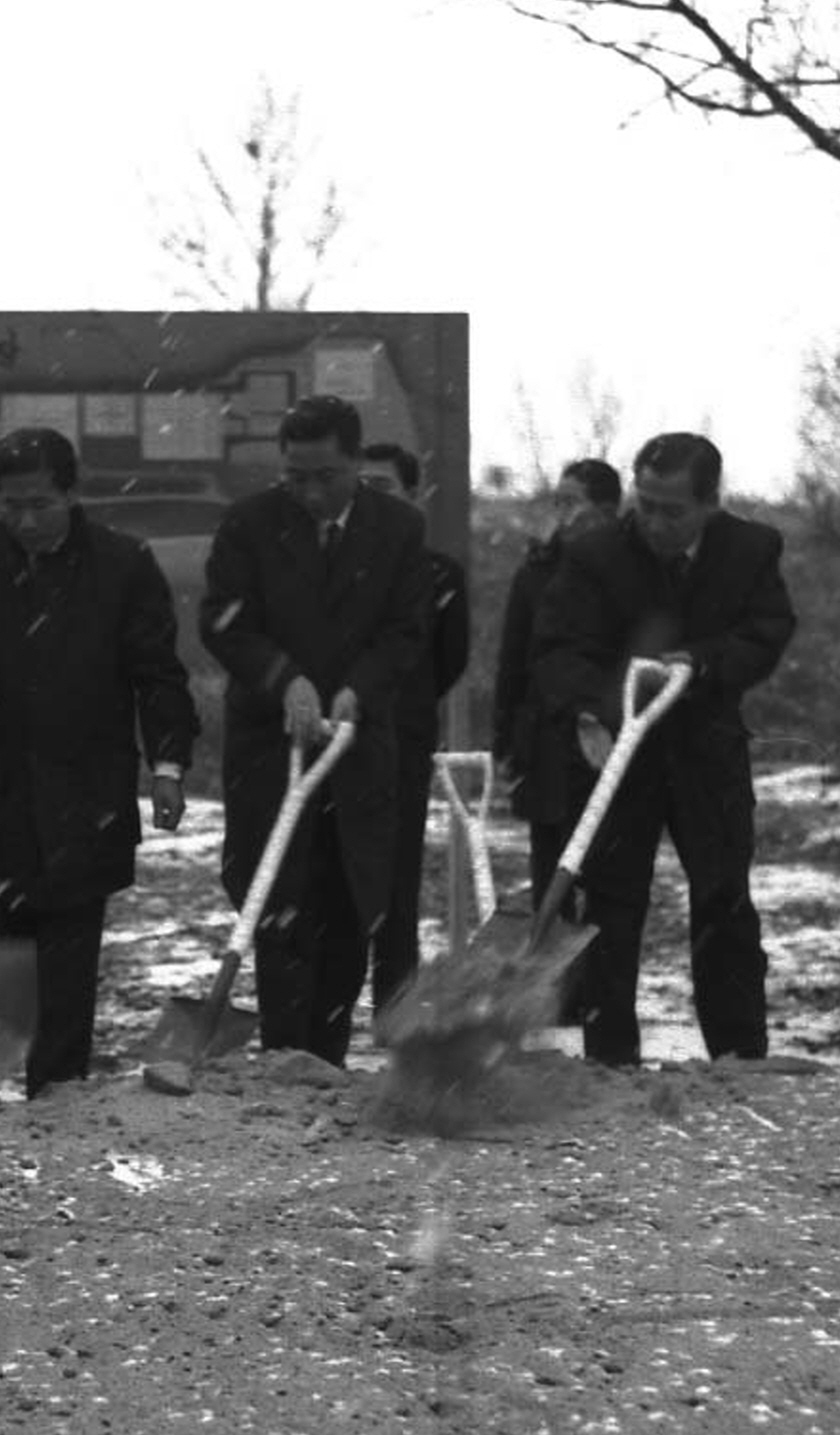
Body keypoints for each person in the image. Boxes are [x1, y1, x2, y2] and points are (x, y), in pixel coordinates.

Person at [0, 427, 198, 1098]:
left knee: (71, 942)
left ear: (71, 492)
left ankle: (58, 1091)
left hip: (88, 786)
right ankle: (13, 1066)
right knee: (14, 934)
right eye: (10, 506)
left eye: (39, 504)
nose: (24, 521)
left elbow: (157, 674)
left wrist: (168, 763)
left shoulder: (123, 565)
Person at [531, 431, 797, 1066]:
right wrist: (597, 709)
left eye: (671, 510)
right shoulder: (596, 555)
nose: (653, 521)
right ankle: (610, 1054)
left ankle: (737, 1051)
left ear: (709, 503)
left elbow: (764, 633)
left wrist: (700, 664)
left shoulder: (749, 549)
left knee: (723, 896)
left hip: (705, 749)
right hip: (617, 752)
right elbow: (559, 649)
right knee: (613, 906)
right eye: (644, 503)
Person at [198, 394, 432, 1066]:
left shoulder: (396, 530)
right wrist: (284, 679)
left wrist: (361, 685)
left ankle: (324, 1059)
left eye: (324, 476)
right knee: (274, 899)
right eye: (294, 475)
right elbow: (223, 623)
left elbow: (407, 630)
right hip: (271, 750)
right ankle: (282, 1055)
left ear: (356, 463)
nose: (307, 491)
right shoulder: (250, 526)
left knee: (347, 904)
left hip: (358, 750)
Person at [356, 439, 469, 1011]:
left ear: (413, 497)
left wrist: (404, 706)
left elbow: (449, 659)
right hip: (341, 737)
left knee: (396, 882)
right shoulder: (342, 566)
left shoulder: (437, 573)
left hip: (403, 740)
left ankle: (395, 1010)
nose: (371, 500)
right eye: (363, 486)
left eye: (384, 488)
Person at [492, 456, 623, 909]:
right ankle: (553, 970)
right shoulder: (537, 572)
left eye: (574, 502)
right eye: (559, 501)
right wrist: (504, 743)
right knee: (550, 872)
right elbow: (513, 662)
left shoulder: (627, 571)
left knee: (608, 875)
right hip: (545, 739)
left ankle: (599, 975)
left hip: (605, 738)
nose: (564, 514)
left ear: (607, 510)